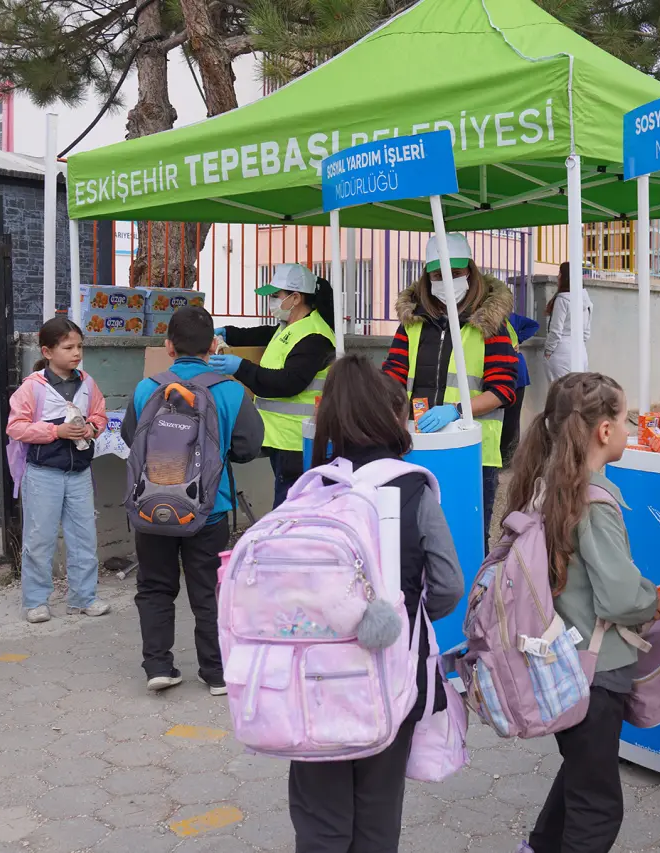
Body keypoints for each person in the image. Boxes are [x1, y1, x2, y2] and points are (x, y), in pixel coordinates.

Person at [288, 353, 463, 853]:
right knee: (378, 816)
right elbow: (448, 584)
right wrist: (404, 617)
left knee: (321, 821)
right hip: (391, 676)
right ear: (393, 416)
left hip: (315, 678)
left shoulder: (311, 488)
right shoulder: (414, 488)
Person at [507, 373, 660, 853]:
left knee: (580, 774)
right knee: (598, 809)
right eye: (626, 419)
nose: (630, 429)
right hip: (595, 673)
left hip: (560, 665)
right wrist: (652, 599)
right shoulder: (594, 501)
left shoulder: (546, 487)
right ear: (604, 431)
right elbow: (620, 598)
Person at [121, 307, 264, 694]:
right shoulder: (231, 391)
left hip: (152, 505)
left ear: (169, 347)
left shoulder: (146, 388)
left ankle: (158, 666)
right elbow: (248, 448)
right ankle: (215, 672)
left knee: (154, 586)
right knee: (208, 590)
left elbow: (131, 438)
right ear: (213, 346)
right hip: (209, 508)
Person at [381, 233, 516, 541]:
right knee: (415, 538)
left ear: (470, 272)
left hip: (472, 451)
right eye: (438, 275)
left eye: (455, 273)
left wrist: (456, 411)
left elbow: (503, 390)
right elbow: (392, 376)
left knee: (466, 537)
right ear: (427, 278)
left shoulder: (491, 325)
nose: (447, 281)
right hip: (417, 444)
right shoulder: (412, 323)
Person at [6, 317, 110, 624]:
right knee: (40, 539)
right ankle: (35, 602)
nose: (76, 353)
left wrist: (92, 428)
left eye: (79, 346)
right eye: (68, 347)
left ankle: (83, 598)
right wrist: (56, 431)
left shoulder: (87, 383)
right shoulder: (32, 387)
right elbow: (16, 427)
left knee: (84, 538)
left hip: (79, 473)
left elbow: (100, 415)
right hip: (43, 473)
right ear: (47, 352)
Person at [210, 263, 336, 508]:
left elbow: (287, 383)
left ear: (296, 298)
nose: (271, 302)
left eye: (276, 296)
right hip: (281, 438)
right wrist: (228, 333)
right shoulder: (290, 326)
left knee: (290, 507)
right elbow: (262, 334)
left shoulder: (315, 337)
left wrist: (240, 368)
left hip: (298, 442)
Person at [502, 310, 541, 466]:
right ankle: (508, 456)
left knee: (510, 419)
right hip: (511, 375)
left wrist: (518, 339)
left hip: (515, 376)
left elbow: (534, 325)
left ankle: (509, 457)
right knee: (510, 419)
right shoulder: (510, 318)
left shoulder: (510, 318)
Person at [544, 261, 592, 382]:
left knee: (560, 390)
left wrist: (548, 351)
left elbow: (555, 331)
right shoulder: (586, 300)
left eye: (559, 273)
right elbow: (586, 332)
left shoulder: (562, 300)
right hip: (581, 350)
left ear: (563, 277)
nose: (558, 276)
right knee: (579, 389)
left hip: (561, 352)